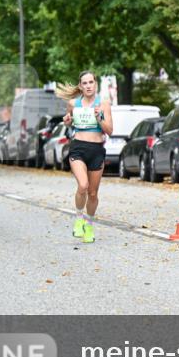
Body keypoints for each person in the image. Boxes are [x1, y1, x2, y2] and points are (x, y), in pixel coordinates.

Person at [56, 71, 113, 244]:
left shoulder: (103, 104)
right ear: (80, 86)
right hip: (78, 148)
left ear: (95, 84)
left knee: (93, 193)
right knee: (83, 185)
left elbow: (110, 130)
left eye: (91, 82)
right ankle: (79, 217)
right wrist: (67, 122)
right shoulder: (73, 103)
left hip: (97, 150)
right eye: (85, 83)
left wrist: (99, 117)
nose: (88, 86)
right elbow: (69, 121)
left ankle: (89, 225)